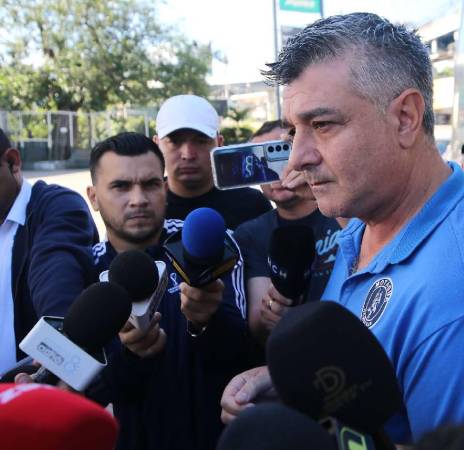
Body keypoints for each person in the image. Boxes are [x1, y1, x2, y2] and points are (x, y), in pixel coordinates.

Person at [220, 13, 464, 444]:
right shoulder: (367, 222)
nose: (297, 157)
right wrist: (299, 384)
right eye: (293, 131)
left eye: (322, 125)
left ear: (405, 118)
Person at [84, 132, 253, 450]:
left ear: (164, 187)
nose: (138, 199)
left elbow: (243, 355)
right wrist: (132, 357)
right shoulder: (82, 270)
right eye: (121, 186)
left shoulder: (210, 246)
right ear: (93, 197)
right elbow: (88, 390)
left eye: (150, 184)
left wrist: (207, 322)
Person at [0, 128, 97, 375]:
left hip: (28, 390)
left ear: (12, 162)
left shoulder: (57, 207)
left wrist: (59, 340)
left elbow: (56, 270)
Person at [234, 120, 341, 341]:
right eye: (263, 161)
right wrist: (273, 311)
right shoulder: (250, 233)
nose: (276, 171)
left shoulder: (342, 210)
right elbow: (258, 324)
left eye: (281, 154)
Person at [153, 95, 272, 229]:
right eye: (175, 142)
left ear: (219, 144)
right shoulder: (145, 209)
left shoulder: (252, 205)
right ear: (156, 145)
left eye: (201, 141)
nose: (188, 155)